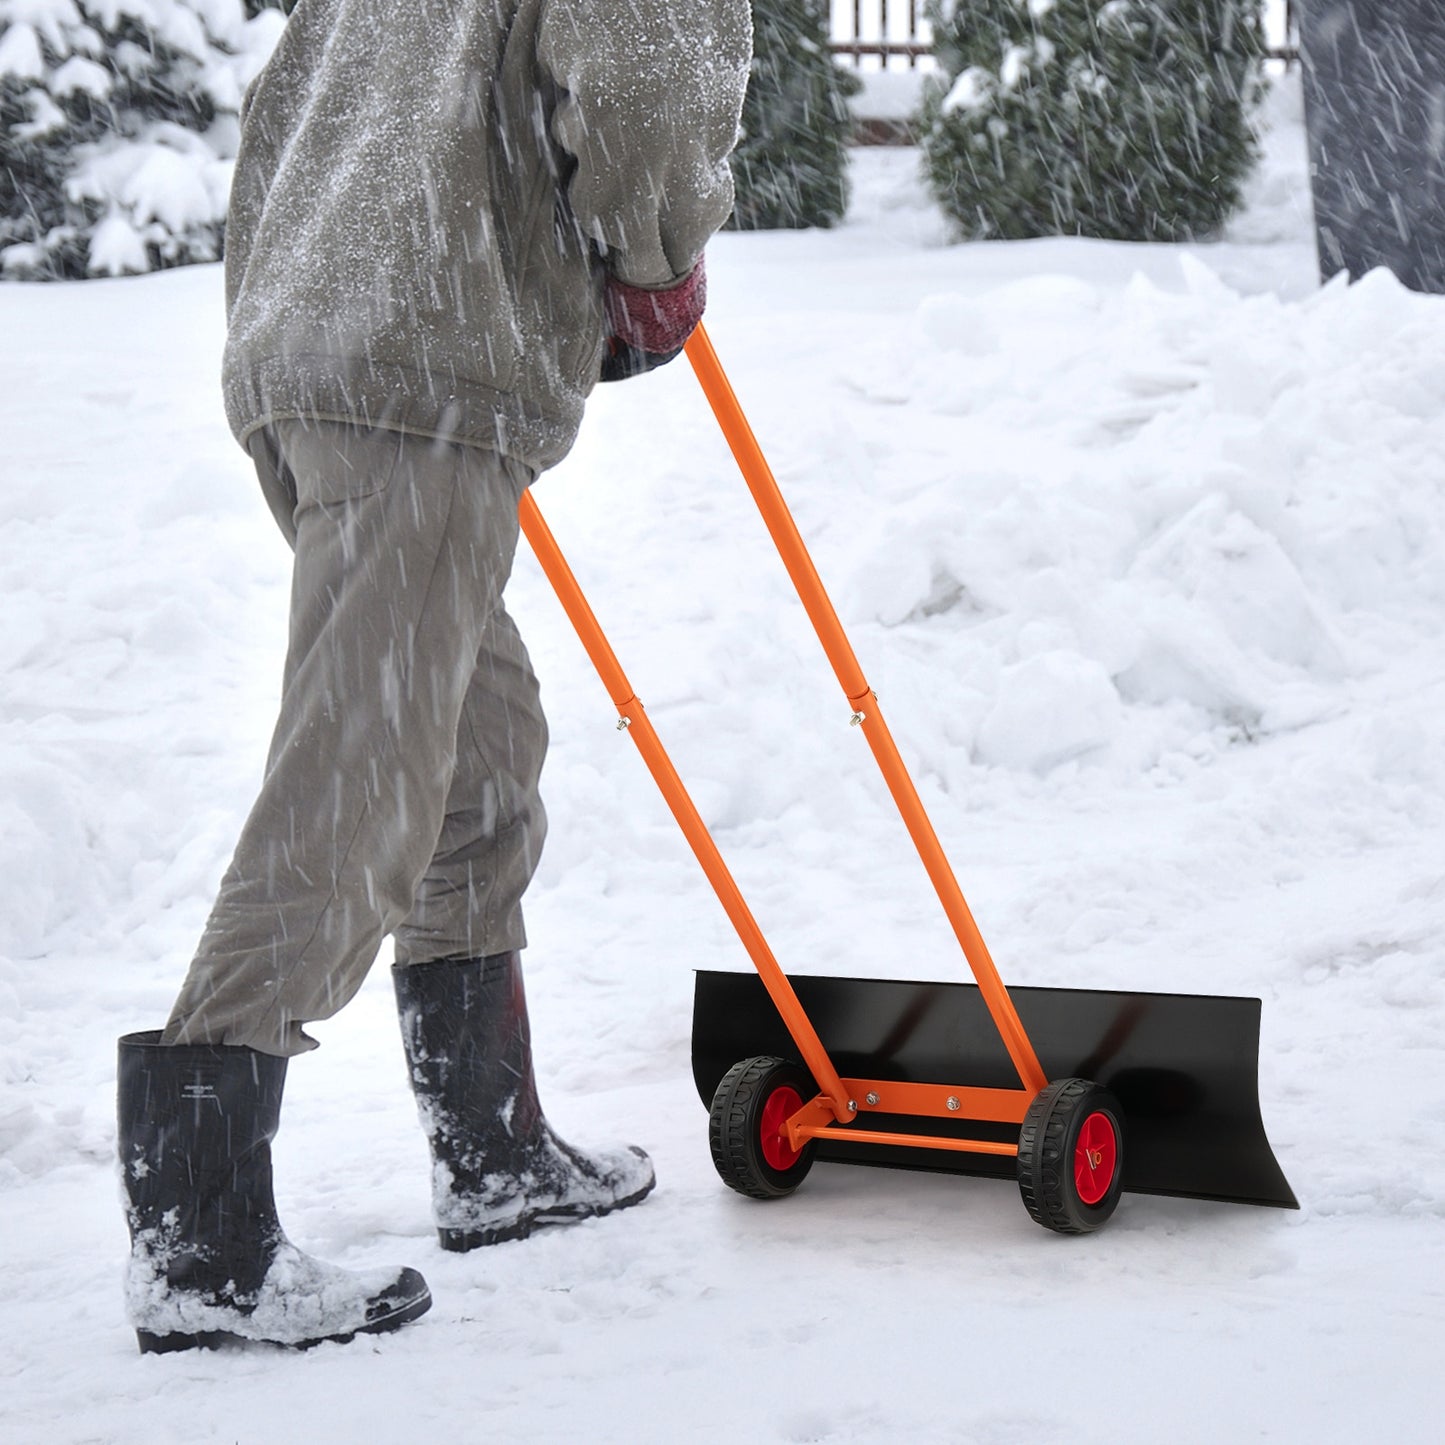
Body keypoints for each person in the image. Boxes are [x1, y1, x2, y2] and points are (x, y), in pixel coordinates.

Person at [116, 0, 751, 1354]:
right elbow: (647, 73)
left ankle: (493, 1151)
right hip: (415, 366)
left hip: (324, 345)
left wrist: (322, 310)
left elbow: (290, 103)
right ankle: (203, 1237)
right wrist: (652, 254)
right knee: (361, 785)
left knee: (472, 751)